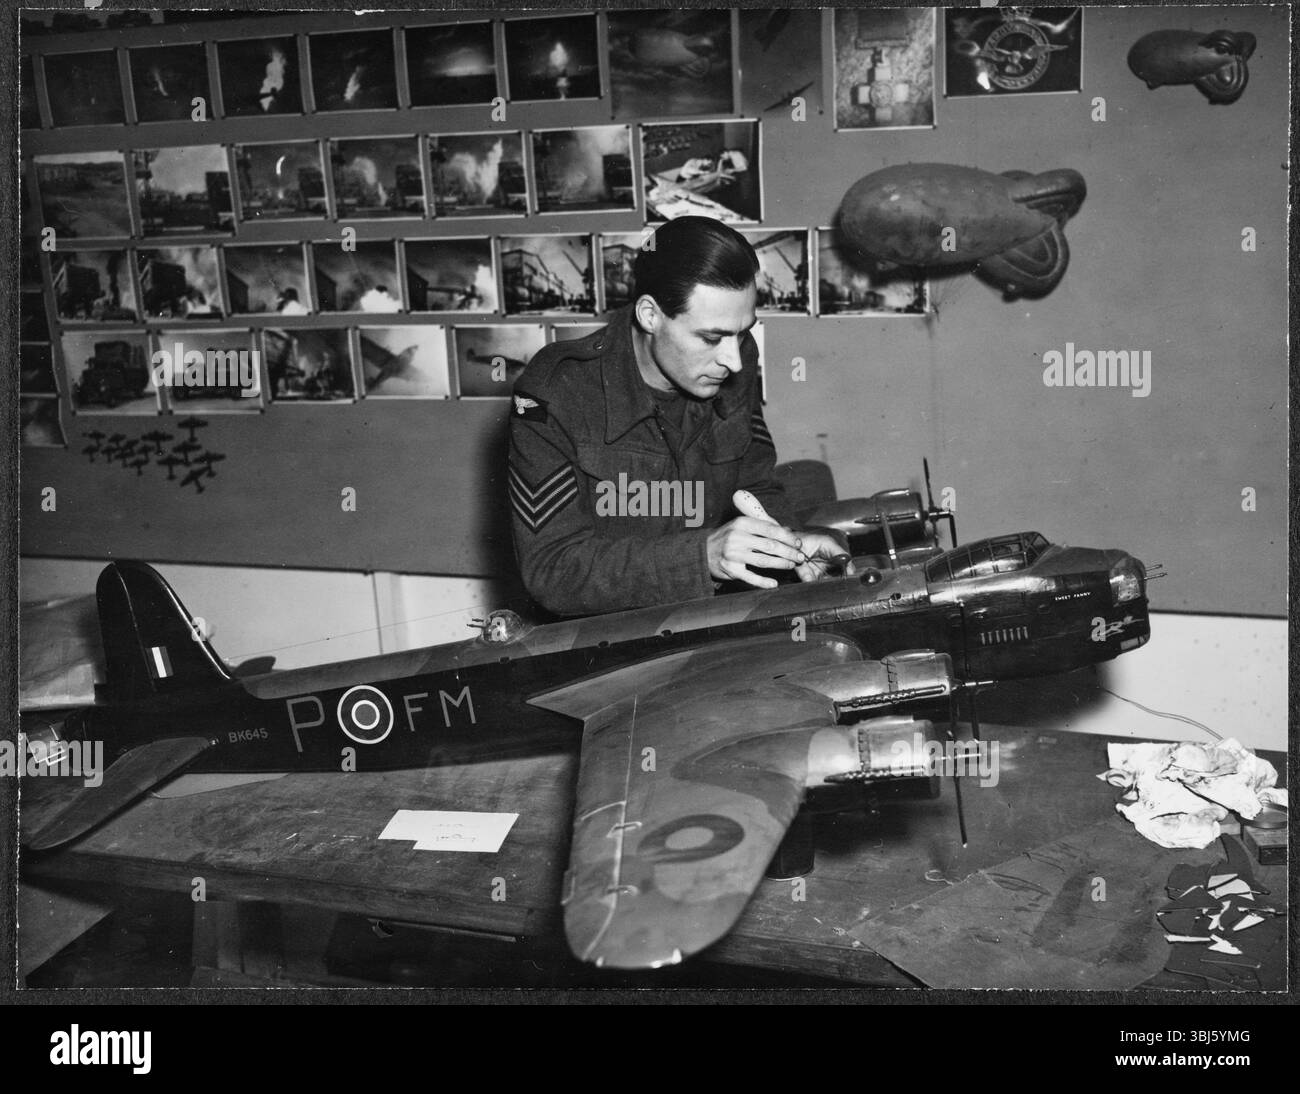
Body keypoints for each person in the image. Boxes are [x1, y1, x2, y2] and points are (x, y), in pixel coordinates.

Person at [508, 216, 847, 617]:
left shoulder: (734, 363)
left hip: (717, 618)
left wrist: (792, 545)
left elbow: (757, 486)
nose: (734, 360)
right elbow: (553, 570)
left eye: (742, 333)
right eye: (710, 337)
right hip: (605, 640)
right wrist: (701, 557)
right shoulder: (555, 392)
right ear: (650, 315)